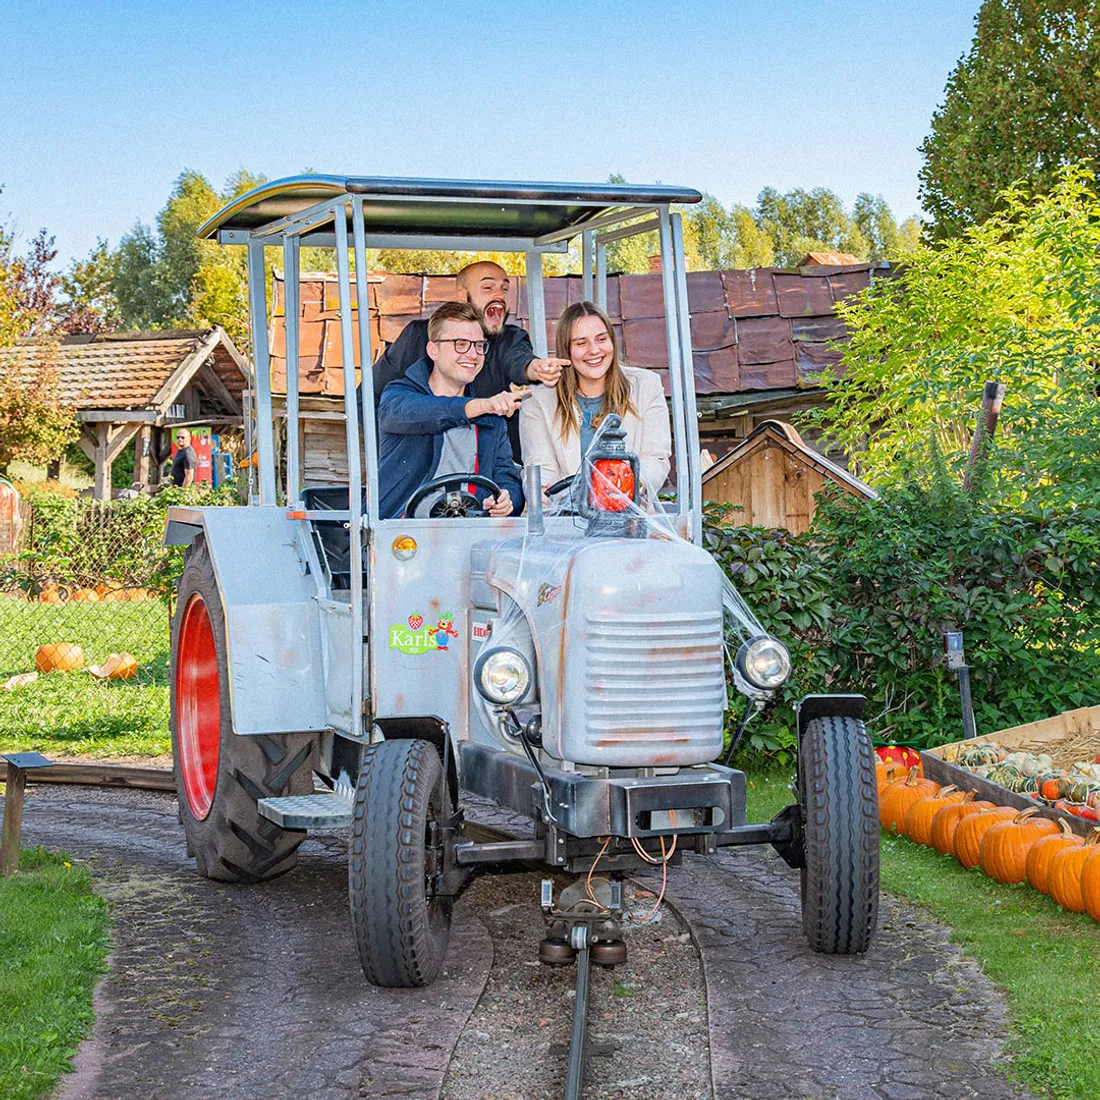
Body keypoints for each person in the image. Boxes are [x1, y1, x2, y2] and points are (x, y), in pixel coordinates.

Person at [371, 261, 569, 459]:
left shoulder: (509, 338)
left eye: (505, 289)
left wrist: (535, 368)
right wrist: (393, 456)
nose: (499, 295)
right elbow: (372, 398)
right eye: (488, 287)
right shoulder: (417, 337)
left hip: (486, 469)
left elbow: (519, 359)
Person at [377, 302, 525, 520]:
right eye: (461, 344)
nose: (473, 354)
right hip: (403, 540)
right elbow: (428, 412)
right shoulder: (397, 397)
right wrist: (481, 405)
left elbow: (506, 477)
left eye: (478, 345)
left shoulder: (491, 420)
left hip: (469, 538)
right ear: (433, 350)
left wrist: (506, 499)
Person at [519, 301, 671, 501]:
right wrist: (543, 491)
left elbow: (656, 458)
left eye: (601, 339)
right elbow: (540, 469)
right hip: (563, 521)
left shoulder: (646, 386)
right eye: (581, 343)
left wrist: (629, 486)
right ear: (566, 350)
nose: (594, 350)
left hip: (630, 520)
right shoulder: (538, 400)